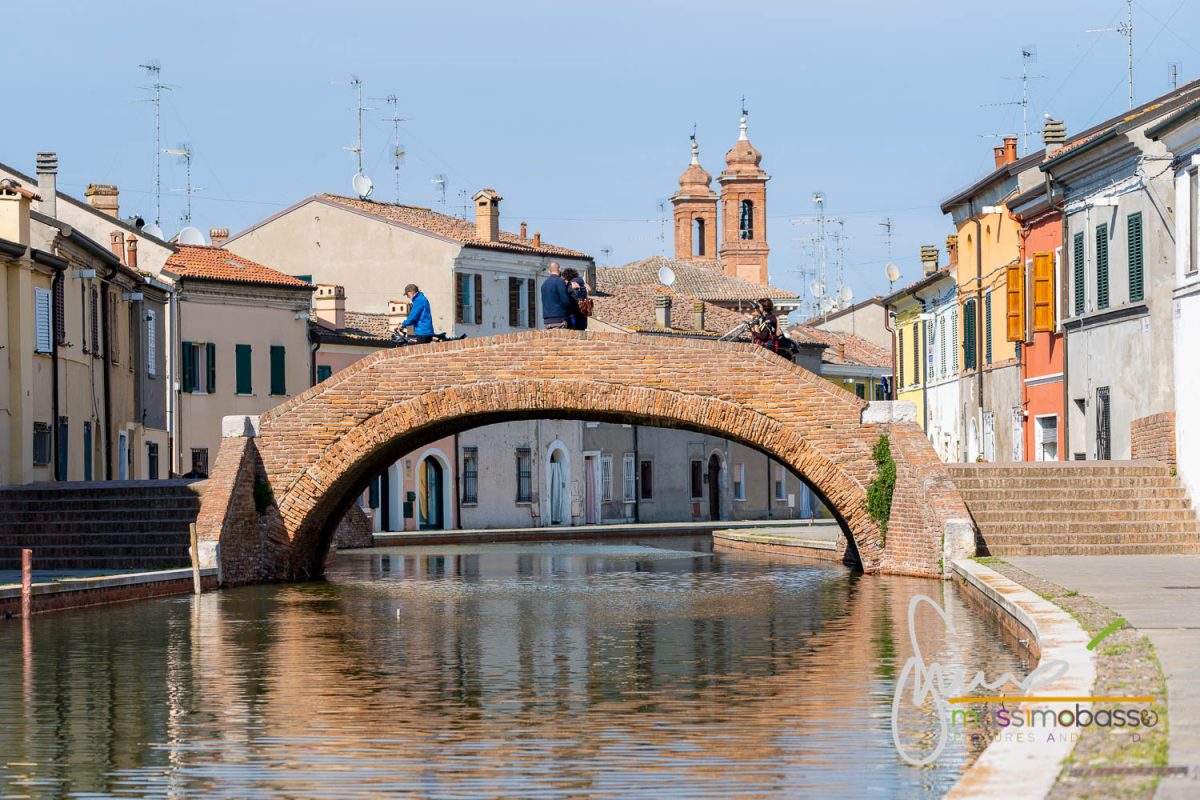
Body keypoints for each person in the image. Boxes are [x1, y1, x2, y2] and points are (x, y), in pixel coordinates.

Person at [540, 262, 571, 329]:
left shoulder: (544, 284)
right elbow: (565, 301)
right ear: (559, 269)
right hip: (559, 318)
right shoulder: (559, 282)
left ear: (549, 271)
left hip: (547, 320)